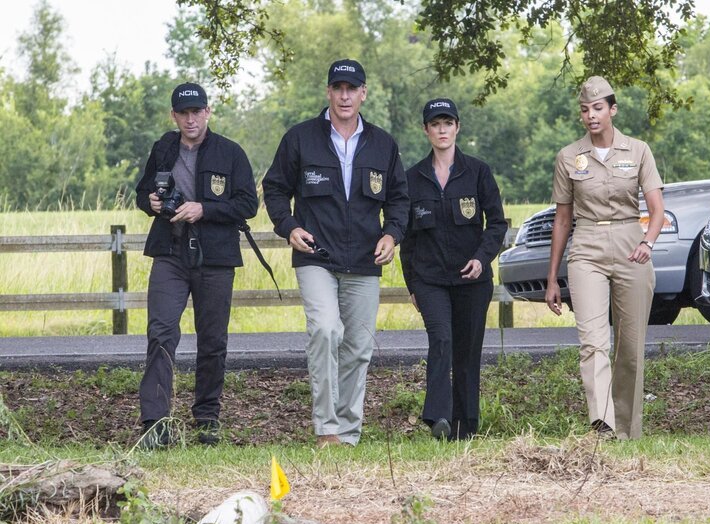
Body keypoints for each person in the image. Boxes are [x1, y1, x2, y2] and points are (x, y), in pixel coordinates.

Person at [263, 59, 409, 447]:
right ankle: (327, 429)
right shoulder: (300, 138)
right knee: (326, 330)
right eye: (338, 88)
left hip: (365, 259)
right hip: (316, 255)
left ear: (364, 93)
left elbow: (400, 199)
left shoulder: (383, 144)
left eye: (352, 89)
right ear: (328, 92)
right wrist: (289, 226)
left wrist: (392, 235)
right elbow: (274, 189)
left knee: (358, 348)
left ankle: (348, 434)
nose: (345, 96)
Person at [135, 82, 259, 448]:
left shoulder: (230, 152)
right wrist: (150, 204)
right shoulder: (163, 148)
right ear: (173, 116)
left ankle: (207, 418)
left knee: (212, 339)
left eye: (197, 112)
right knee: (161, 333)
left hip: (215, 256)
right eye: (183, 113)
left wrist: (204, 209)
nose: (191, 119)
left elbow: (248, 205)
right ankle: (156, 422)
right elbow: (143, 191)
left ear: (208, 112)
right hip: (170, 253)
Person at [545, 76, 665, 440]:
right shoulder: (569, 156)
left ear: (612, 110)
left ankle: (627, 430)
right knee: (594, 342)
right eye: (585, 110)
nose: (591, 116)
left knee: (630, 347)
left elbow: (657, 209)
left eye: (598, 108)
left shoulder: (638, 150)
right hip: (587, 247)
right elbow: (562, 220)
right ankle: (603, 425)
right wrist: (552, 279)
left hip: (631, 244)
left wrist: (648, 242)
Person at [400, 98, 507, 441]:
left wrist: (482, 258)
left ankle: (465, 428)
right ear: (426, 130)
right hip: (430, 279)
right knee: (441, 339)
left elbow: (497, 223)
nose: (442, 130)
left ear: (457, 127)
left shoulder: (477, 172)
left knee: (467, 352)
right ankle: (438, 418)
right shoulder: (412, 178)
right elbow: (406, 237)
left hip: (472, 279)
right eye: (435, 124)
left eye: (448, 123)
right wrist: (412, 285)